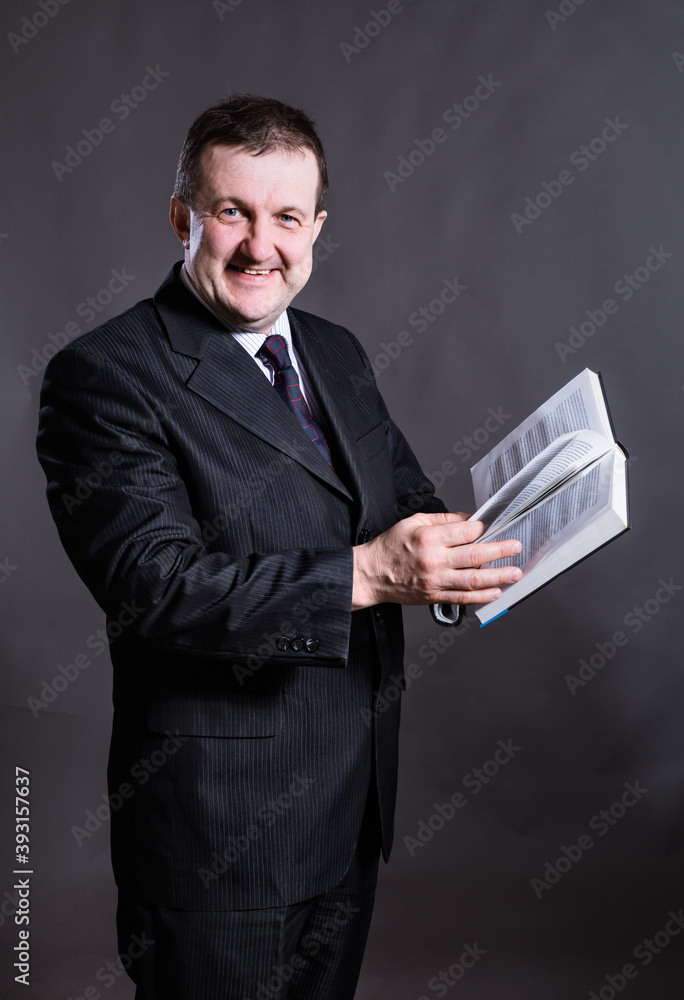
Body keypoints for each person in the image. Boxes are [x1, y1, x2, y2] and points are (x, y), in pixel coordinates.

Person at [36, 94, 521, 999]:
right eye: (232, 212)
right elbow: (156, 587)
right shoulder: (105, 375)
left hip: (347, 813)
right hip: (216, 836)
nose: (261, 246)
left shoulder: (335, 352)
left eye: (287, 218)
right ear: (183, 218)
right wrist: (371, 574)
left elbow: (403, 503)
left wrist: (470, 557)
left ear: (317, 228)